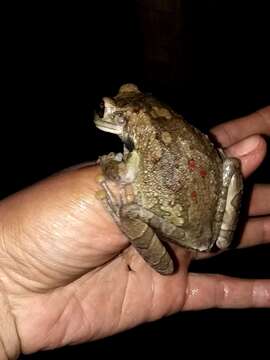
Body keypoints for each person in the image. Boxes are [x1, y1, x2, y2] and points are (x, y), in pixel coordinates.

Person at [0, 106, 269, 359]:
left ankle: (161, 244)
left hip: (187, 225)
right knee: (230, 166)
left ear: (123, 121)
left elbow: (118, 175)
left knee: (127, 210)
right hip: (208, 213)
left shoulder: (140, 143)